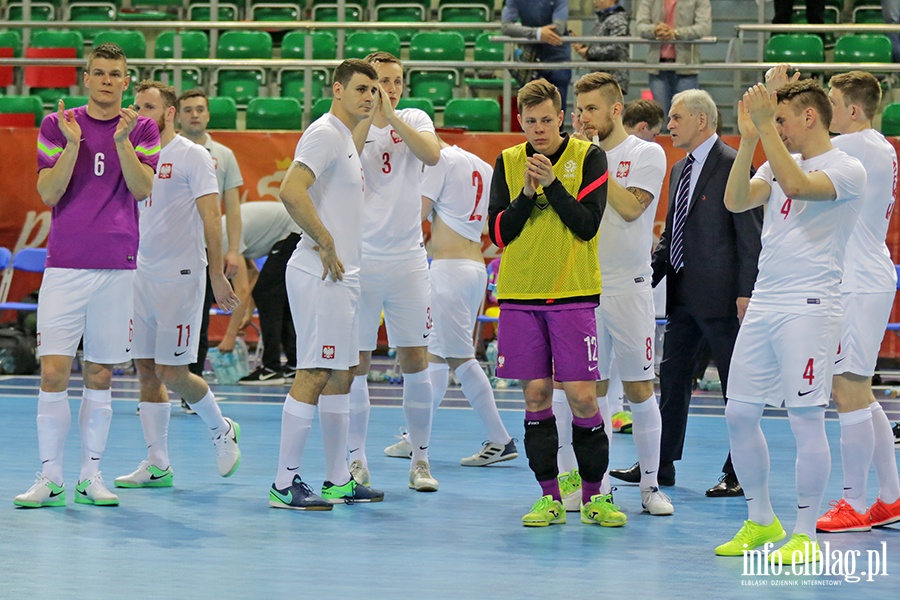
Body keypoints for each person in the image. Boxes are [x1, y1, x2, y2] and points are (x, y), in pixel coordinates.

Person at [717, 78, 866, 565]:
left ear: (809, 117)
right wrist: (750, 139)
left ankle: (805, 533)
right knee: (739, 413)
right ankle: (761, 520)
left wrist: (766, 130)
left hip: (811, 306)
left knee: (805, 421)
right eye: (772, 121)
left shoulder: (848, 167)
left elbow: (800, 187)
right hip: (764, 302)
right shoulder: (776, 158)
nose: (776, 128)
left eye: (782, 120)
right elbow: (736, 200)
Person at [15, 43, 159, 508]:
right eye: (98, 72)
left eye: (114, 74)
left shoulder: (143, 127)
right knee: (54, 371)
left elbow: (141, 190)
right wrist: (74, 146)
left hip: (117, 266)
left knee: (100, 372)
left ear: (126, 81)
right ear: (86, 78)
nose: (106, 80)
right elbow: (49, 194)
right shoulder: (58, 124)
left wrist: (121, 142)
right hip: (65, 266)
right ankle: (49, 478)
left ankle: (90, 477)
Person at [610, 89, 763, 498]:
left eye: (676, 118)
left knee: (737, 387)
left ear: (701, 120)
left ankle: (738, 471)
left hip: (725, 300)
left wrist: (746, 292)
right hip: (682, 297)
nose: (670, 125)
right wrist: (646, 275)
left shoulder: (734, 163)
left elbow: (750, 237)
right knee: (672, 380)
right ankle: (659, 464)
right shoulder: (679, 169)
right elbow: (672, 235)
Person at [488, 78, 623, 528]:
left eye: (547, 120)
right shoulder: (507, 162)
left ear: (561, 117)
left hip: (573, 294)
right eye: (531, 122)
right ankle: (548, 497)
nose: (539, 129)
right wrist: (527, 194)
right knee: (535, 394)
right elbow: (500, 234)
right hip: (520, 295)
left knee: (584, 398)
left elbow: (587, 225)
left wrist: (552, 185)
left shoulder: (590, 156)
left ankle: (594, 498)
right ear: (519, 121)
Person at [114, 81, 242, 489]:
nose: (137, 112)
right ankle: (157, 463)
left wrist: (217, 275)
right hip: (141, 275)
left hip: (183, 277)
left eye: (147, 106)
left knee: (173, 371)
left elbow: (211, 217)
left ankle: (221, 428)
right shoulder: (132, 155)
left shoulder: (193, 156)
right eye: (135, 105)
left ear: (169, 113)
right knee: (146, 371)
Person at [269, 59, 385, 510]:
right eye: (360, 88)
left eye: (373, 90)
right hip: (321, 273)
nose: (369, 96)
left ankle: (338, 479)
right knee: (314, 372)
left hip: (343, 276)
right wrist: (326, 240)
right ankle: (284, 483)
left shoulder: (346, 138)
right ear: (337, 89)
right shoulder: (323, 133)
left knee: (341, 374)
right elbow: (290, 190)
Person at [557, 71, 671, 517]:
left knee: (641, 389)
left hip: (629, 288)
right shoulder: (572, 156)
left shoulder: (647, 153)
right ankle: (593, 487)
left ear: (615, 109)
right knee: (585, 391)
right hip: (581, 288)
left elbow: (629, 209)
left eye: (590, 109)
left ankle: (650, 486)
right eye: (579, 109)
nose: (582, 117)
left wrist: (591, 158)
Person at [348, 52, 442, 493]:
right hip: (360, 260)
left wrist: (393, 118)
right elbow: (344, 158)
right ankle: (356, 461)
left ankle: (420, 460)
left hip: (407, 259)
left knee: (415, 360)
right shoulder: (349, 124)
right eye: (380, 82)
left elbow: (432, 155)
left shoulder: (415, 117)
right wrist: (371, 116)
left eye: (396, 81)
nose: (390, 89)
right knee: (357, 363)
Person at [813, 70, 900, 532]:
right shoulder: (872, 145)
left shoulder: (859, 145)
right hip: (860, 279)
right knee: (859, 393)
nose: (824, 110)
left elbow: (796, 160)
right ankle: (889, 497)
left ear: (852, 110)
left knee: (847, 390)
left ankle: (854, 503)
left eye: (829, 100)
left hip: (859, 282)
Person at [421, 136, 519, 469]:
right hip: (474, 265)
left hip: (448, 268)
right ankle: (417, 437)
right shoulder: (482, 164)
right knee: (435, 351)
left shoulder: (439, 161)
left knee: (460, 358)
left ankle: (501, 439)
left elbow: (415, 214)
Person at [177, 89, 243, 393]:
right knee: (162, 318)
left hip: (206, 251)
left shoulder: (224, 155)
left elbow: (232, 207)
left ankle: (191, 389)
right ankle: (156, 389)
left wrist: (232, 250)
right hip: (171, 247)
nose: (194, 114)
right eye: (187, 109)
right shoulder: (164, 150)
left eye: (199, 109)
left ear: (207, 115)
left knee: (198, 320)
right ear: (176, 115)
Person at [218, 201, 302, 385]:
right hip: (293, 228)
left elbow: (241, 289)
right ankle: (295, 365)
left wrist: (230, 336)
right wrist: (248, 312)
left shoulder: (223, 237)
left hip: (294, 229)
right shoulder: (226, 232)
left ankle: (272, 368)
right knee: (279, 298)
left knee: (268, 294)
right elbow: (253, 275)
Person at [634, 0, 712, 118]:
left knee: (686, 117)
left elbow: (704, 27)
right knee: (660, 118)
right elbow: (640, 26)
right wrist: (655, 30)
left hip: (686, 67)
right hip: (657, 67)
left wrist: (676, 33)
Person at [501, 0, 572, 110]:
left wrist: (533, 33)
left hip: (558, 61)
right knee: (529, 112)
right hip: (530, 61)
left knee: (556, 113)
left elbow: (558, 28)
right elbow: (506, 27)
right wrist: (537, 33)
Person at [572, 0, 629, 95]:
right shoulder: (601, 19)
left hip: (613, 77)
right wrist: (584, 49)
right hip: (601, 77)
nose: (595, 1)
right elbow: (601, 45)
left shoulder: (617, 19)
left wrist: (589, 52)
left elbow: (617, 47)